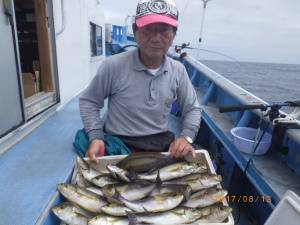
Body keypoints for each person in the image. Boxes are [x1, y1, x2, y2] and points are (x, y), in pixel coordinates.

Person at [79, 0, 201, 163]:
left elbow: (192, 109)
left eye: (164, 30)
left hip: (160, 142)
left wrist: (186, 137)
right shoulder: (113, 66)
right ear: (135, 32)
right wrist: (95, 136)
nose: (156, 38)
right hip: (119, 143)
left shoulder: (178, 70)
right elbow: (89, 101)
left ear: (173, 36)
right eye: (147, 30)